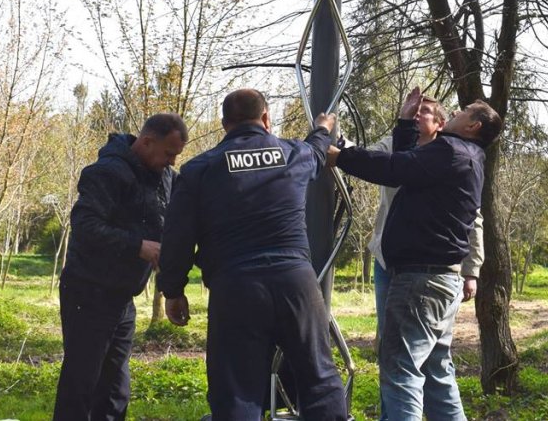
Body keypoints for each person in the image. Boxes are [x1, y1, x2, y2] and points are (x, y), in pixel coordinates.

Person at [157, 88, 348, 421]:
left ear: (224, 124)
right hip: (296, 284)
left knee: (237, 390)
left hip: (236, 287)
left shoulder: (199, 169)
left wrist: (173, 290)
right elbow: (317, 152)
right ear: (266, 118)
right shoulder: (291, 154)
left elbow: (177, 238)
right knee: (318, 379)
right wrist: (321, 129)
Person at [328, 88, 502, 421]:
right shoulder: (465, 155)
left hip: (421, 281)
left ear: (474, 126)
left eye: (463, 112)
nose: (455, 113)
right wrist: (405, 122)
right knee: (437, 373)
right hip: (438, 280)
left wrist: (340, 157)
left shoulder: (450, 152)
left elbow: (395, 167)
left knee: (400, 369)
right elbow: (408, 161)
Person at [52, 113, 188, 421]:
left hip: (122, 298)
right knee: (82, 383)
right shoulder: (106, 173)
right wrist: (137, 246)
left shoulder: (166, 179)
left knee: (115, 389)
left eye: (176, 156)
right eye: (168, 154)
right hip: (87, 292)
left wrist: (172, 289)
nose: (171, 161)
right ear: (146, 141)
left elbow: (177, 224)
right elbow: (85, 225)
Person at [366, 94, 484, 421]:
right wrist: (401, 122)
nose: (418, 116)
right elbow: (384, 160)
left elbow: (472, 220)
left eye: (424, 113)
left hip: (427, 273)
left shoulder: (448, 155)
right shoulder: (402, 145)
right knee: (408, 355)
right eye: (414, 113)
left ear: (441, 124)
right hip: (392, 264)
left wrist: (471, 269)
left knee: (407, 362)